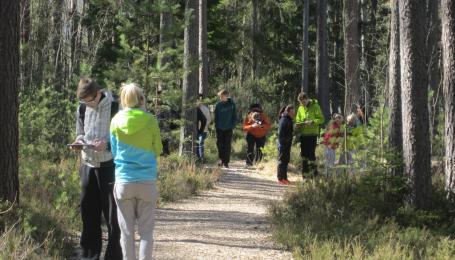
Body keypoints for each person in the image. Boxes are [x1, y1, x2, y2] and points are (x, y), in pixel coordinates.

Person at [70, 78, 122, 260]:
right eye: (83, 101)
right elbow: (80, 132)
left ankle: (114, 256)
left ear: (98, 93)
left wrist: (106, 146)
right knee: (88, 217)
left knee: (113, 219)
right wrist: (79, 141)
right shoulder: (83, 108)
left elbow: (123, 139)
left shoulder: (116, 107)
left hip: (110, 167)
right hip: (88, 167)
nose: (87, 104)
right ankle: (88, 256)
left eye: (89, 100)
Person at [110, 83, 163, 260]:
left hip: (124, 180)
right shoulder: (150, 120)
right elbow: (158, 149)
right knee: (146, 232)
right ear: (141, 99)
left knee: (126, 232)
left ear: (123, 100)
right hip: (147, 181)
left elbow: (115, 151)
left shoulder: (116, 120)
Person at [295, 92, 325, 177]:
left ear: (307, 99)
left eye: (304, 102)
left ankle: (314, 176)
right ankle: (305, 177)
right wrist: (299, 123)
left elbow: (321, 119)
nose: (302, 104)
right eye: (301, 102)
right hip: (303, 135)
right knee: (304, 156)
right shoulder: (300, 108)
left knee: (311, 155)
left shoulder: (315, 106)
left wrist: (312, 122)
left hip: (312, 135)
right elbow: (297, 119)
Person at [214, 89, 237, 168]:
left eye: (222, 96)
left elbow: (234, 116)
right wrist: (216, 126)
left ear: (226, 96)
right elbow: (216, 117)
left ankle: (226, 162)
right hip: (219, 128)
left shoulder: (232, 104)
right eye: (220, 97)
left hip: (229, 128)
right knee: (219, 144)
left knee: (227, 145)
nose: (220, 98)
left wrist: (233, 126)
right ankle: (221, 159)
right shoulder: (218, 105)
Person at [277, 105, 295, 185]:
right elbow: (280, 133)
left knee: (286, 161)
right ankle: (280, 178)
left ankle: (285, 178)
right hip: (283, 144)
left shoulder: (288, 119)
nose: (293, 114)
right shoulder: (284, 119)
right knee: (282, 161)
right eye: (292, 112)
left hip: (287, 144)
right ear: (287, 111)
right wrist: (283, 143)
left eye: (294, 112)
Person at [197, 95, 212, 163]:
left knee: (200, 143)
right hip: (196, 129)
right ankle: (197, 158)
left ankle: (201, 159)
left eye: (199, 100)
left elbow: (208, 120)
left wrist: (203, 127)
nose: (198, 101)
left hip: (203, 130)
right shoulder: (195, 108)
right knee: (197, 143)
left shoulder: (205, 109)